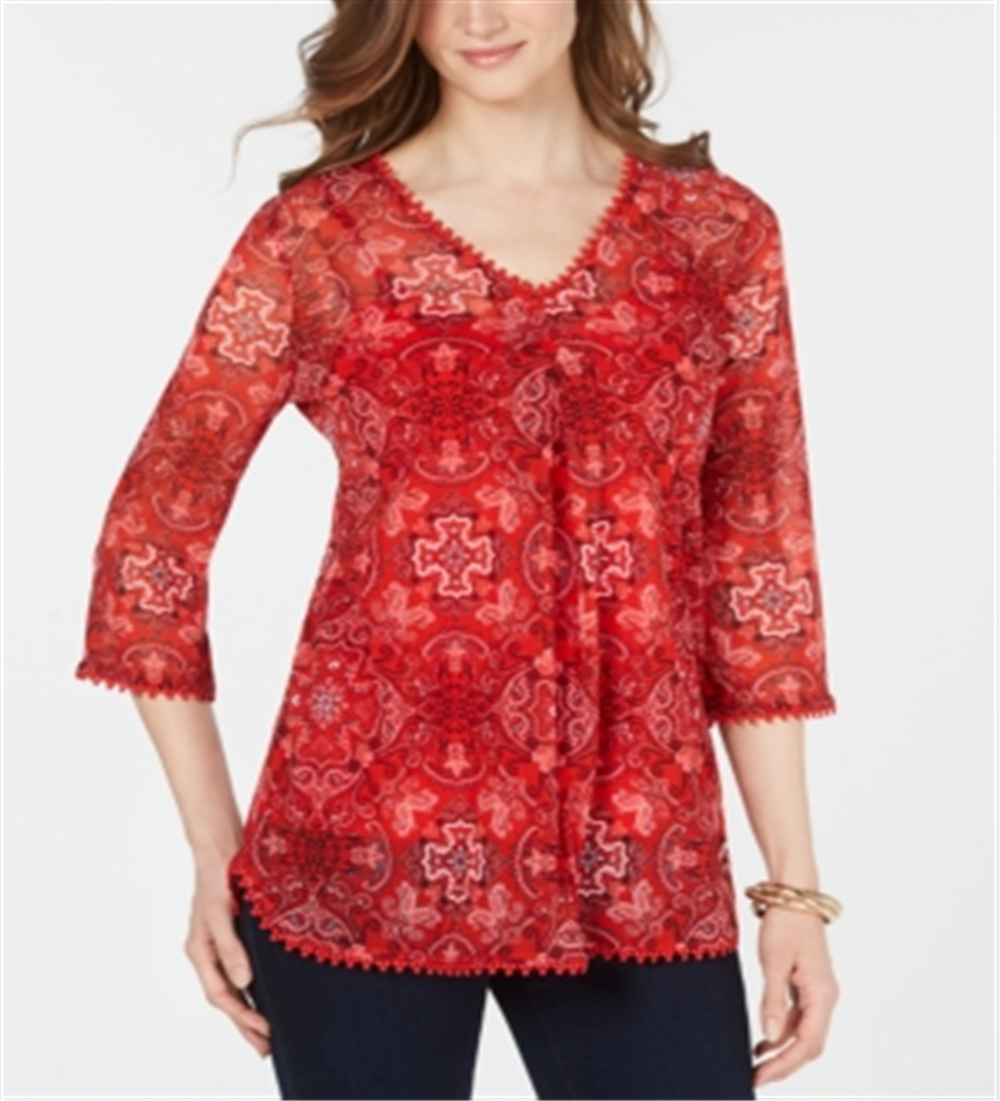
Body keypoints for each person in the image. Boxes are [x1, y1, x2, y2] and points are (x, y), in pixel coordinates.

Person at [75, 0, 843, 1097]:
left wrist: (793, 889)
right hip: (359, 857)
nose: (478, 15)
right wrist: (216, 852)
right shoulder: (320, 237)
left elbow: (756, 566)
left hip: (638, 856)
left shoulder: (715, 234)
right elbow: (152, 535)